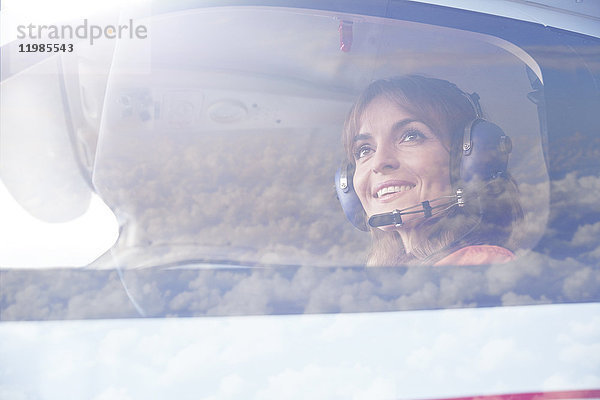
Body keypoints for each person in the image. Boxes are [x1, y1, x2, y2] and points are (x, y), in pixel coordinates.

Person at [340, 75, 523, 266]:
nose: (379, 162)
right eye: (364, 150)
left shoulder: (480, 267)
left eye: (411, 136)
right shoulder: (388, 276)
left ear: (465, 159)